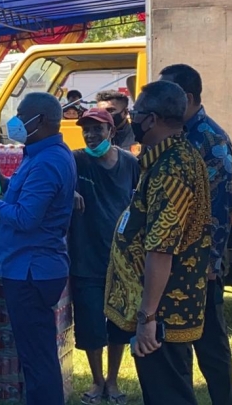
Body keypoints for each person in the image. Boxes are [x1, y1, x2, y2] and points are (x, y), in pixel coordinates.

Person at [0, 92, 76, 405]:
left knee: (38, 359)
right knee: (35, 354)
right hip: (30, 267)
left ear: (38, 120)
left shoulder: (48, 162)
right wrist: (2, 180)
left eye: (21, 114)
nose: (15, 120)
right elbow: (24, 197)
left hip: (31, 271)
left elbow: (25, 218)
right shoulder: (39, 155)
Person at [105, 80, 211, 405]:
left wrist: (148, 318)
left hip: (164, 313)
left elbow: (161, 249)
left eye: (135, 113)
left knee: (168, 395)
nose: (132, 119)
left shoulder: (172, 169)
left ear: (151, 119)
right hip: (163, 308)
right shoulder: (168, 158)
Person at [158, 64, 232, 405]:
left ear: (187, 98)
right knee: (174, 341)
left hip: (200, 262)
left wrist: (209, 262)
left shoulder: (210, 139)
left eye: (167, 94)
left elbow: (217, 209)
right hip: (169, 257)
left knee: (210, 343)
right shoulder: (169, 133)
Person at [68, 108, 139, 405]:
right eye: (86, 130)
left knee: (120, 324)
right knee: (90, 324)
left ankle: (113, 380)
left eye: (97, 130)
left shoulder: (130, 163)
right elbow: (56, 185)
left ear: (111, 132)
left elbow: (140, 199)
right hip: (86, 255)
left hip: (122, 258)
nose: (91, 135)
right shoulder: (76, 160)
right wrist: (68, 193)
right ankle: (97, 381)